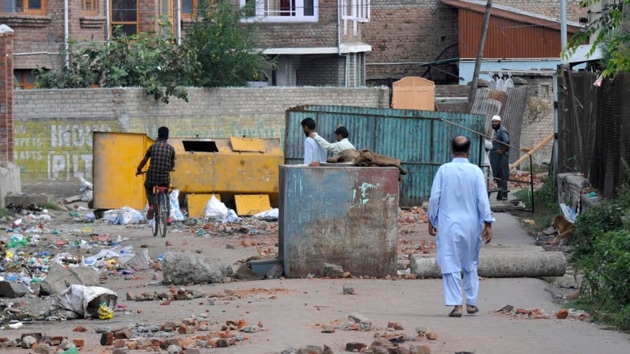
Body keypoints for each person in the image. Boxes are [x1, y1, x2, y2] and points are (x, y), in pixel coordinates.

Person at [427, 136, 494, 318]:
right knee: (470, 262)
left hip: (448, 224)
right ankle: (471, 303)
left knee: (450, 262)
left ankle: (457, 305)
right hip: (471, 224)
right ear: (469, 150)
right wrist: (487, 223)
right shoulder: (476, 171)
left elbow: (435, 198)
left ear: (451, 150)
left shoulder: (444, 170)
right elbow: (483, 199)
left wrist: (431, 219)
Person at [136, 126, 176, 220]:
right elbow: (172, 164)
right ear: (167, 136)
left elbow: (144, 160)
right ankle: (168, 217)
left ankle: (152, 206)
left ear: (158, 135)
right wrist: (170, 168)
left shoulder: (152, 147)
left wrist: (139, 169)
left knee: (148, 187)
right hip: (164, 178)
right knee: (166, 193)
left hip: (152, 176)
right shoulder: (171, 149)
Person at [489, 115, 510, 200]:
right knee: (497, 175)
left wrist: (502, 150)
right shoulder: (497, 131)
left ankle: (504, 196)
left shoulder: (502, 131)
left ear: (499, 122)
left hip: (501, 158)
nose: (494, 123)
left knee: (502, 175)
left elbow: (506, 141)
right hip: (496, 158)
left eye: (496, 122)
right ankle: (500, 194)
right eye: (493, 122)